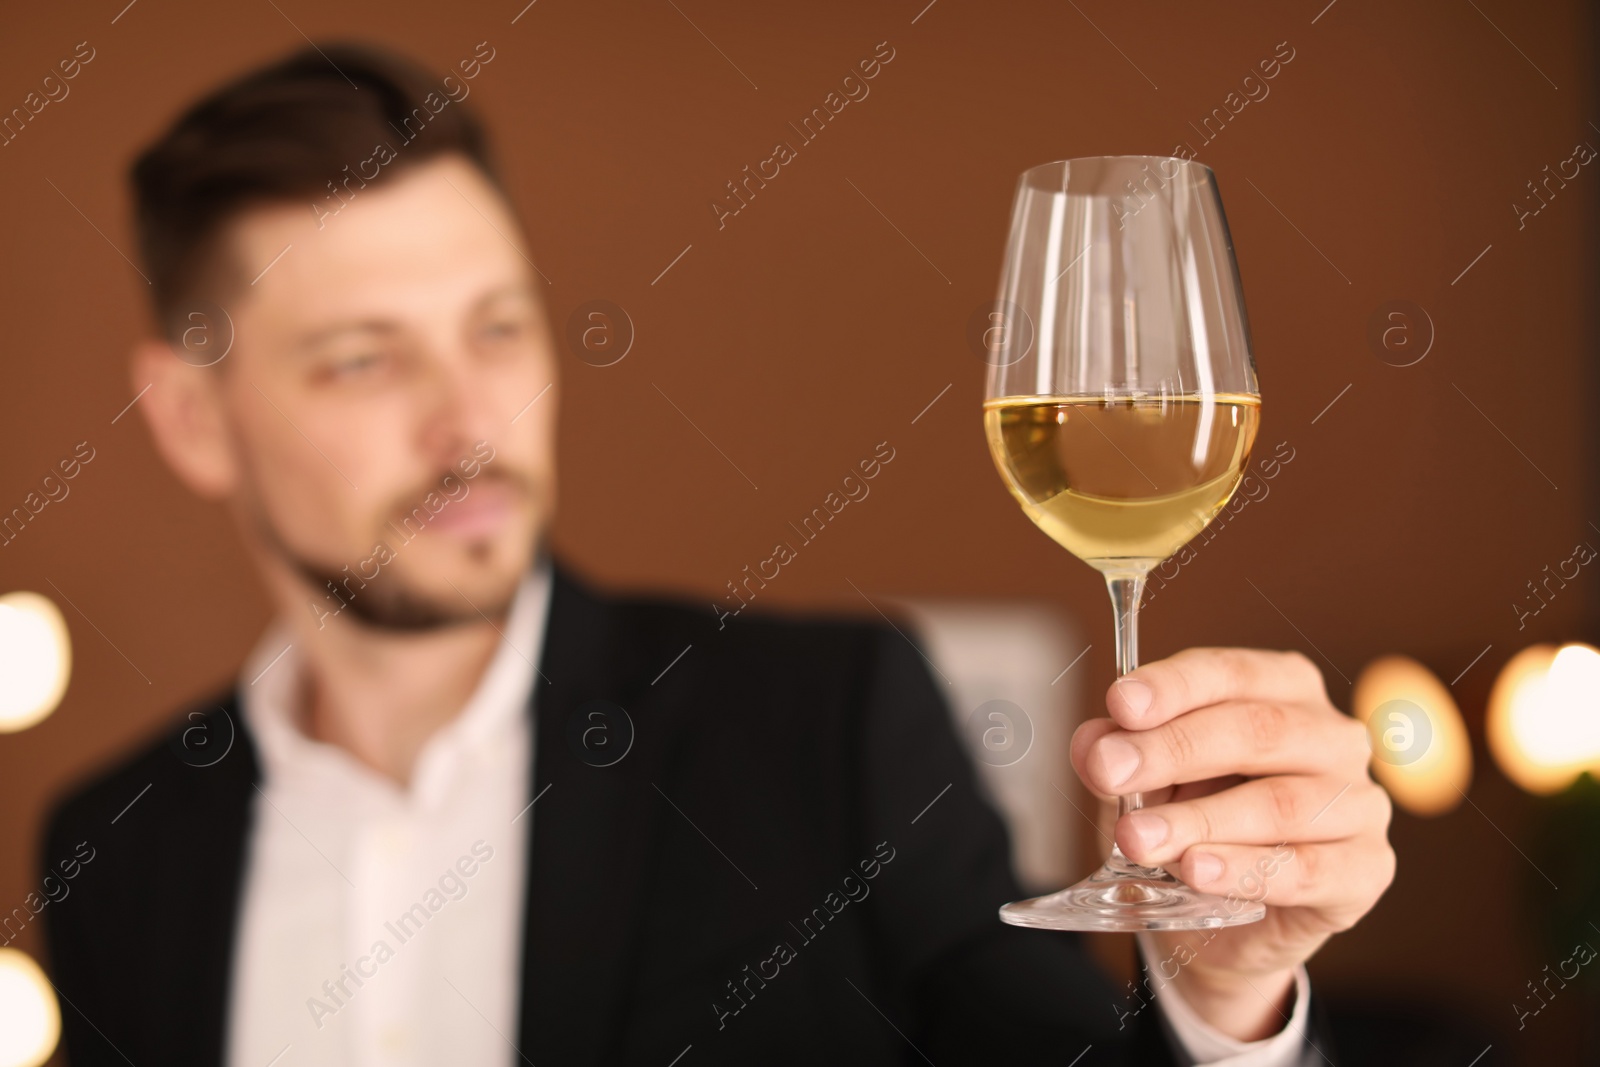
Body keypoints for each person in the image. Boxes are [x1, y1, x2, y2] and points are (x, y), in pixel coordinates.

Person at [40, 43, 1394, 1066]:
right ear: (194, 417)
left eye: (498, 329)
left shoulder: (823, 726)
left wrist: (1227, 1009)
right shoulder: (118, 847)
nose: (471, 420)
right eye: (361, 358)